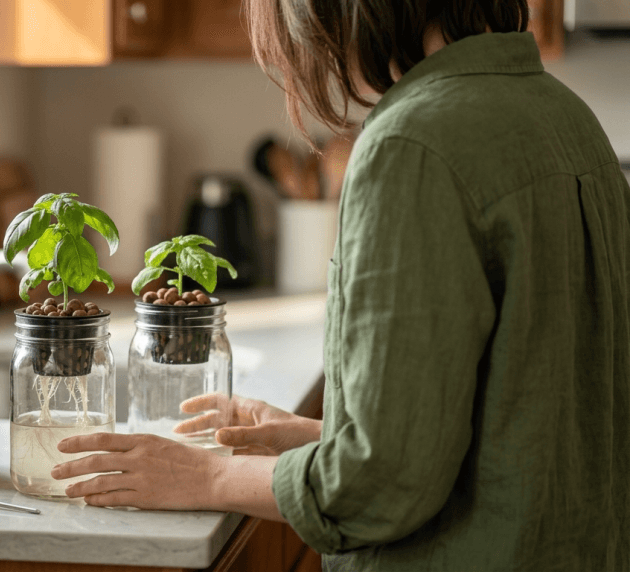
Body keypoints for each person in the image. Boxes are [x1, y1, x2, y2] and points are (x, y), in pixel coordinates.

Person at [51, 0, 630, 569]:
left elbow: (380, 485)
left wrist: (205, 473)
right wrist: (316, 437)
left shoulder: (413, 144)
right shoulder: (564, 115)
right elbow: (520, 423)